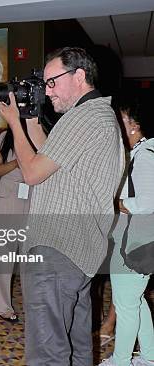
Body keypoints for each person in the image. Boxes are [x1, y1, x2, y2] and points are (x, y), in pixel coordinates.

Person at [0, 46, 124, 365]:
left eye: (52, 82)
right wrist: (28, 116)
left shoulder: (84, 116)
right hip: (78, 249)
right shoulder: (96, 114)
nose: (47, 90)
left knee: (48, 351)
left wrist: (13, 121)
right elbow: (47, 155)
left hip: (56, 246)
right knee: (76, 343)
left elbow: (32, 172)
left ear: (79, 76)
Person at [99, 95, 154, 366]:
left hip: (133, 244)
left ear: (133, 125)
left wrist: (116, 203)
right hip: (138, 242)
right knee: (135, 302)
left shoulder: (146, 155)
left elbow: (146, 202)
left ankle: (121, 361)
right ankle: (149, 357)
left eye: (119, 120)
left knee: (126, 306)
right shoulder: (143, 152)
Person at [0, 120, 46, 323]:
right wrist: (16, 163)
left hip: (34, 199)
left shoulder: (40, 136)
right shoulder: (5, 137)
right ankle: (2, 306)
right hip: (8, 199)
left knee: (30, 256)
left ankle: (34, 306)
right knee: (4, 255)